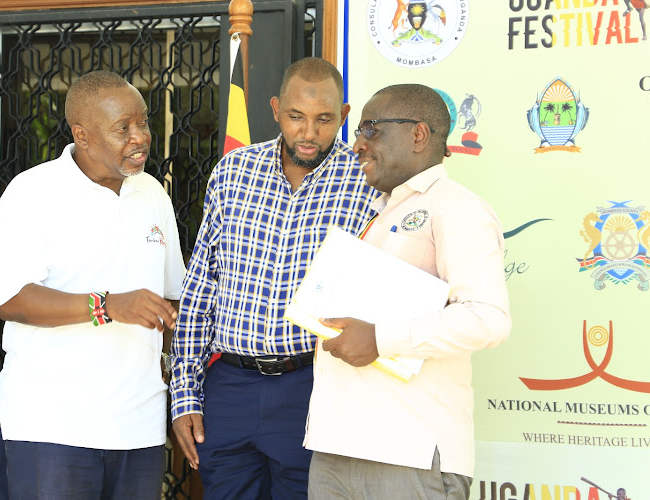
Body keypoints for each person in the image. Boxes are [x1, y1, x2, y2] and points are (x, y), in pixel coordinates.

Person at [170, 57, 377, 499]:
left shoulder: (367, 183)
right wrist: (185, 395)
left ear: (343, 116)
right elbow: (201, 286)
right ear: (276, 109)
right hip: (229, 387)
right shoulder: (232, 172)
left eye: (324, 120)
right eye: (296, 117)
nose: (308, 133)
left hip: (313, 386)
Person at [304, 84, 511, 500]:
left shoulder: (457, 208)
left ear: (418, 135)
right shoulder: (379, 211)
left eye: (371, 130)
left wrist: (380, 338)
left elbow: (488, 318)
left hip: (409, 453)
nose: (358, 145)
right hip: (336, 447)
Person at [0, 70, 186, 500]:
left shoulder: (152, 193)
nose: (140, 137)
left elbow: (172, 297)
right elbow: (12, 300)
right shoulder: (32, 193)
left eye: (143, 122)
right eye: (123, 128)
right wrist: (108, 306)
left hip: (139, 427)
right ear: (83, 135)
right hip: (52, 427)